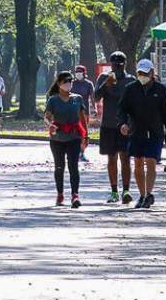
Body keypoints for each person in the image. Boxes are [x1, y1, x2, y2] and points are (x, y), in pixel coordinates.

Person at [118, 58, 166, 209]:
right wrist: (123, 123)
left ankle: (149, 193)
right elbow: (122, 109)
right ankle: (142, 195)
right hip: (136, 131)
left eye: (145, 72)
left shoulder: (160, 90)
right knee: (137, 163)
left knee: (151, 161)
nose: (142, 75)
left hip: (155, 132)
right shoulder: (131, 89)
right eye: (139, 73)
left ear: (152, 72)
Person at [94, 51, 134, 204]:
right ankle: (114, 191)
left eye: (120, 63)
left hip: (124, 125)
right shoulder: (104, 78)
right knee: (111, 158)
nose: (117, 66)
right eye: (114, 63)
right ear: (110, 64)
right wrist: (106, 85)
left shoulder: (130, 80)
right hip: (108, 124)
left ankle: (126, 190)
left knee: (125, 158)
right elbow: (96, 97)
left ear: (125, 63)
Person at [44, 70, 88, 208]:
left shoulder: (77, 99)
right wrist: (50, 125)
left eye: (70, 81)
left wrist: (85, 136)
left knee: (73, 165)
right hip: (57, 137)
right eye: (65, 82)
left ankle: (75, 195)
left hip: (74, 136)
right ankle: (60, 194)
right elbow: (47, 116)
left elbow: (83, 118)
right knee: (59, 166)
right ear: (59, 84)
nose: (68, 84)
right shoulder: (53, 100)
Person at [71, 65, 96, 161]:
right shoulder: (72, 83)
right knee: (73, 133)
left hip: (84, 112)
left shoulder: (88, 84)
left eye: (80, 71)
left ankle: (82, 152)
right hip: (73, 112)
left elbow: (92, 97)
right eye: (76, 72)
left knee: (84, 133)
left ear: (84, 73)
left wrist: (95, 108)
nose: (78, 73)